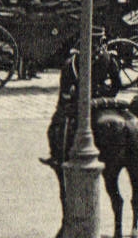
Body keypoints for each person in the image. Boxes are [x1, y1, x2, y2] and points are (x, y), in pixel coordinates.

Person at [42, 27, 125, 169]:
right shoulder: (109, 58)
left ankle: (57, 156)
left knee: (55, 125)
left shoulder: (72, 62)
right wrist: (106, 97)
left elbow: (64, 92)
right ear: (101, 41)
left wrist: (63, 105)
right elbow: (117, 85)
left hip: (80, 100)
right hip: (102, 99)